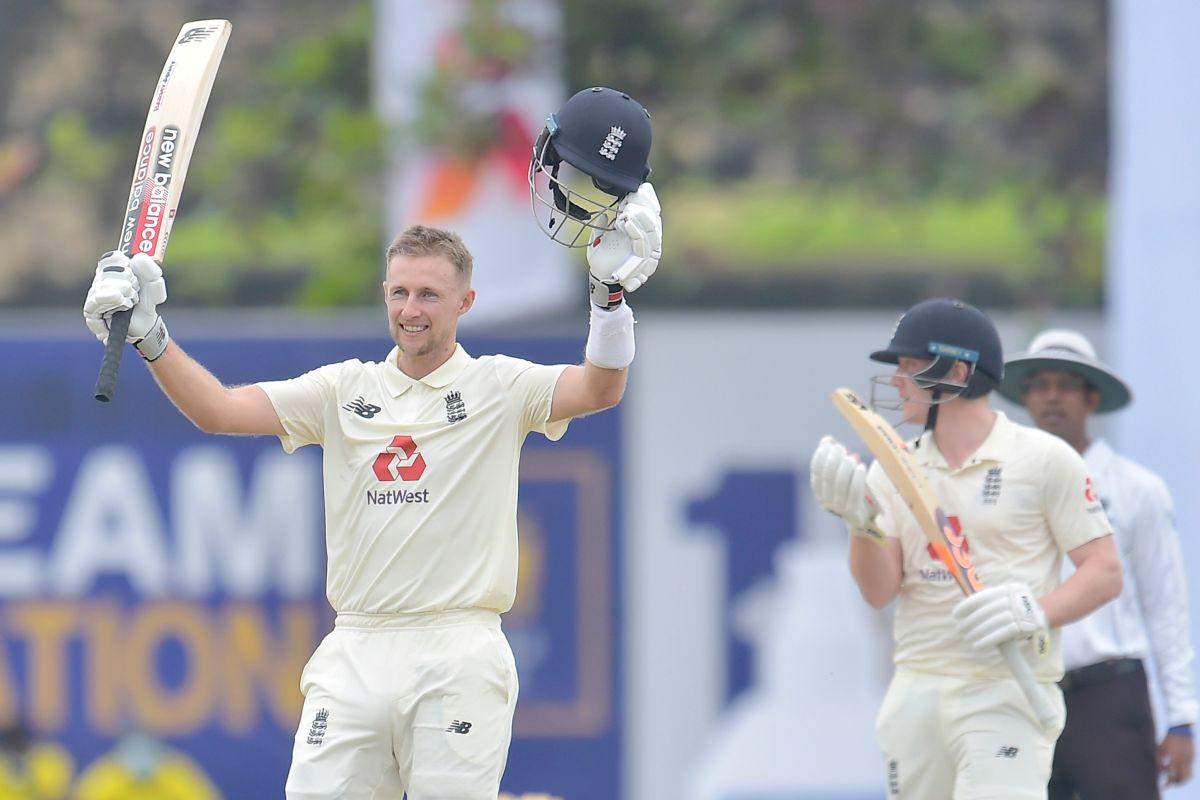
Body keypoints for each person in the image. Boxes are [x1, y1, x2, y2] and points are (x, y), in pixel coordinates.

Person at [82, 90, 662, 799]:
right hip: (355, 645)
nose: (410, 311)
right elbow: (219, 411)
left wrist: (608, 299)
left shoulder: (500, 388)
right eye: (400, 293)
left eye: (428, 296)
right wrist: (149, 335)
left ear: (464, 304)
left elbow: (600, 389)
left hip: (458, 649)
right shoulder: (341, 390)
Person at [809, 298, 1123, 799]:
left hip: (1005, 687)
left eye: (910, 366)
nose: (895, 379)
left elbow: (1105, 572)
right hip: (918, 683)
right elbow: (878, 591)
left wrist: (1034, 611)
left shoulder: (1043, 459)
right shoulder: (891, 468)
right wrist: (860, 524)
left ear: (957, 370)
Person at [999, 328, 1197, 798]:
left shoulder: (1136, 488)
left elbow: (1164, 605)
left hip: (1107, 692)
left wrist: (1183, 718)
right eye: (1040, 385)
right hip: (1023, 690)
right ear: (1024, 397)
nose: (1051, 397)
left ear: (1092, 398)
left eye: (1065, 385)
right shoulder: (1002, 488)